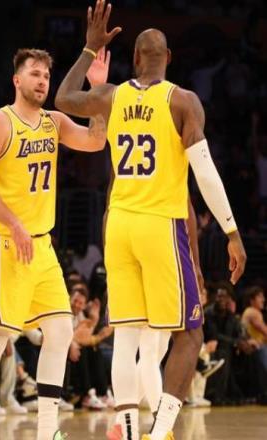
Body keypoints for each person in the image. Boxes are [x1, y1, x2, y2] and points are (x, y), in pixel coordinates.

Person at [55, 2, 246, 439]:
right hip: (160, 224)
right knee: (190, 334)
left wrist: (89, 49)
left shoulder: (112, 95)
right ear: (169, 58)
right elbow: (205, 173)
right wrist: (232, 231)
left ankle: (126, 430)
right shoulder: (182, 100)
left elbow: (63, 98)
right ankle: (159, 435)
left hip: (119, 224)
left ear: (136, 58)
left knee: (126, 337)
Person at [0, 46, 107, 440]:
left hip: (41, 246)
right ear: (17, 80)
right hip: (3, 242)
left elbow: (96, 141)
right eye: (34, 73)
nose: (42, 81)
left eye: (46, 75)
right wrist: (13, 223)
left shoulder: (54, 122)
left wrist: (97, 92)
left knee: (60, 331)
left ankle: (47, 431)